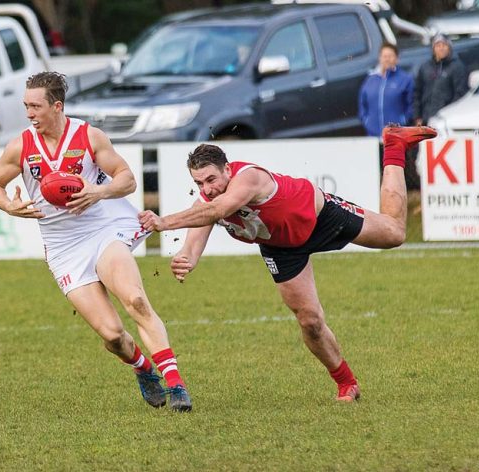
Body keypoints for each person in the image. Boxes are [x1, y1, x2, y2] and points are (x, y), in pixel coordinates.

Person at [138, 125, 438, 402]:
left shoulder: (248, 178)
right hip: (282, 248)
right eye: (199, 183)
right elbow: (202, 222)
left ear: (227, 170)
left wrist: (164, 222)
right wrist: (188, 257)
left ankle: (394, 145)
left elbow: (218, 209)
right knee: (310, 321)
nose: (206, 189)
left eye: (211, 179)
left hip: (321, 217)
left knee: (394, 234)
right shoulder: (209, 198)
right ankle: (347, 383)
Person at [0, 72, 192, 412]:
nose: (29, 113)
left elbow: (127, 179)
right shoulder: (21, 145)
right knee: (113, 335)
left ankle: (176, 384)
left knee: (136, 299)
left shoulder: (89, 136)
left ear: (57, 106)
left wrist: (99, 191)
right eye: (26, 106)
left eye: (35, 106)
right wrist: (9, 205)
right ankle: (142, 368)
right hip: (63, 247)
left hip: (102, 229)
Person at [359, 43, 414, 137]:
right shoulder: (370, 80)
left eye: (390, 56)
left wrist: (403, 121)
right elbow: (362, 105)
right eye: (384, 56)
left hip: (397, 136)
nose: (387, 59)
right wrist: (367, 121)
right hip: (373, 136)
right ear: (380, 58)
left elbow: (411, 104)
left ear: (397, 59)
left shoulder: (405, 79)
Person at [413, 33, 468, 126]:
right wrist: (417, 116)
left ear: (449, 48)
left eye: (444, 45)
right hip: (426, 119)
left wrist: (449, 113)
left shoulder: (457, 67)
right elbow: (417, 93)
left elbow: (460, 94)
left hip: (445, 119)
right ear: (433, 49)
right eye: (438, 45)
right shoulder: (425, 67)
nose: (441, 48)